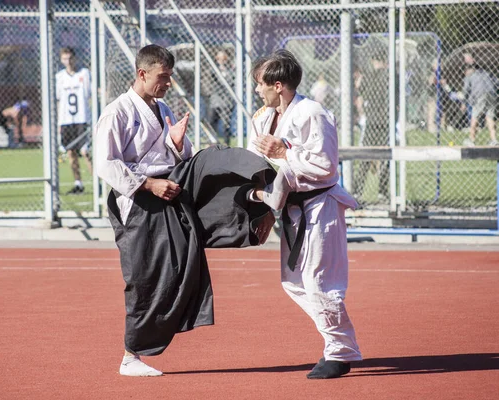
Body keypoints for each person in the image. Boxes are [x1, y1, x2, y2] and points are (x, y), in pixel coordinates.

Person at [95, 44, 275, 377]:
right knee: (150, 276)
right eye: (163, 77)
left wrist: (177, 143)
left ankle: (258, 196)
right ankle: (131, 355)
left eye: (170, 77)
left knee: (210, 161)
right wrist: (149, 185)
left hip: (173, 184)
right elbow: (105, 163)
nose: (168, 84)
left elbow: (182, 156)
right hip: (141, 201)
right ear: (142, 73)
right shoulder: (117, 112)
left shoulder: (162, 109)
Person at [247, 50, 362, 379]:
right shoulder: (264, 118)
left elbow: (326, 165)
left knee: (319, 282)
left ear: (278, 85)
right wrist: (266, 204)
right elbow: (258, 163)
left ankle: (339, 351)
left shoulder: (312, 112)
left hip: (319, 207)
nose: (258, 90)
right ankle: (338, 342)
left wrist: (285, 152)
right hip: (290, 210)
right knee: (294, 283)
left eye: (261, 85)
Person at [55, 47, 93, 194]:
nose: (68, 61)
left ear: (74, 58)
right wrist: (59, 122)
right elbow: (59, 100)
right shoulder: (60, 77)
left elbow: (89, 96)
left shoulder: (84, 74)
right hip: (66, 121)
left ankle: (99, 184)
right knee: (71, 152)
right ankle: (78, 184)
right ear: (61, 60)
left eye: (70, 58)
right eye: (65, 58)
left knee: (85, 152)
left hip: (82, 119)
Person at [354, 51, 390, 202]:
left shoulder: (370, 76)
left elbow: (359, 91)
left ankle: (357, 190)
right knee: (385, 156)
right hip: (386, 120)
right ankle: (382, 191)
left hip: (372, 120)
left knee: (365, 156)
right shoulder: (390, 75)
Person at [461, 54, 498, 147]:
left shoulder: (470, 75)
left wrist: (464, 102)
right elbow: (497, 82)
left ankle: (472, 139)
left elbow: (465, 90)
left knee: (475, 116)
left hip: (480, 95)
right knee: (489, 116)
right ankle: (494, 139)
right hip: (492, 94)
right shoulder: (487, 73)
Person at [207, 49, 234, 145]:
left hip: (226, 101)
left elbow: (232, 82)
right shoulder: (213, 70)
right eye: (219, 59)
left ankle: (227, 143)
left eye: (223, 59)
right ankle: (212, 142)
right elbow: (210, 80)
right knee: (212, 122)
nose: (221, 61)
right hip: (215, 100)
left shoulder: (231, 71)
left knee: (226, 124)